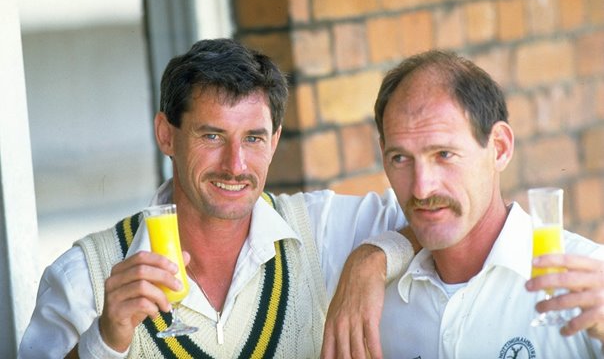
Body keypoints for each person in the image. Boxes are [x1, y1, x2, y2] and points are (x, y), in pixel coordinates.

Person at [19, 39, 414, 358]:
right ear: (166, 135)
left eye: (254, 139)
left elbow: (440, 214)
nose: (235, 164)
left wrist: (371, 259)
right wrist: (105, 340)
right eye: (212, 136)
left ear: (274, 141)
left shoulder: (323, 230)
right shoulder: (82, 277)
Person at [321, 50, 604, 358]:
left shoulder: (589, 287)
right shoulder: (374, 302)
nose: (422, 187)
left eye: (444, 154)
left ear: (499, 148)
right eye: (400, 158)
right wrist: (366, 261)